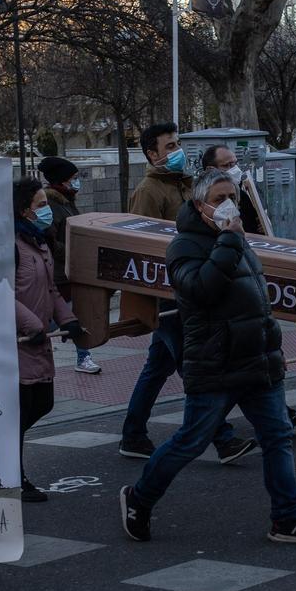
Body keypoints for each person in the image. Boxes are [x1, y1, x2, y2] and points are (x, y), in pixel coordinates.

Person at [120, 170, 296, 546]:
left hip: (257, 361)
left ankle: (286, 518)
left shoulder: (237, 240)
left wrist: (271, 344)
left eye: (232, 196)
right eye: (219, 199)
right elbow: (201, 289)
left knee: (278, 435)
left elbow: (256, 299)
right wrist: (231, 241)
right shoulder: (184, 245)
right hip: (215, 363)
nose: (228, 205)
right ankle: (139, 497)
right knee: (191, 441)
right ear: (199, 205)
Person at [116, 125, 254, 465]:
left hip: (189, 290)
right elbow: (141, 246)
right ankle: (222, 439)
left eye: (178, 143)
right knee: (193, 367)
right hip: (169, 293)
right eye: (171, 145)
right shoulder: (148, 191)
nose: (179, 150)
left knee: (158, 366)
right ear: (152, 153)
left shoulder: (187, 185)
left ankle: (133, 434)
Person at [195, 143, 296, 428]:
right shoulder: (205, 207)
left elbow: (256, 230)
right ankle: (217, 432)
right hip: (218, 301)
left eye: (235, 163)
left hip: (244, 290)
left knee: (251, 362)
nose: (234, 169)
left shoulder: (242, 193)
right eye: (226, 165)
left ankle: (276, 417)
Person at [13, 178, 88, 502]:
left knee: (43, 403)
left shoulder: (39, 242)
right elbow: (0, 295)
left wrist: (69, 320)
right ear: (22, 210)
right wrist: (31, 325)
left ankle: (2, 459)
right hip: (16, 342)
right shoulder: (9, 245)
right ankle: (14, 478)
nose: (46, 211)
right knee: (18, 413)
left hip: (38, 340)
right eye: (40, 205)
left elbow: (51, 291)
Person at [37, 155, 99, 375]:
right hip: (60, 274)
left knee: (77, 314)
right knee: (56, 319)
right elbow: (51, 242)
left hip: (71, 271)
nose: (77, 181)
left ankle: (84, 356)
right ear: (62, 180)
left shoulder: (67, 201)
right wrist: (74, 251)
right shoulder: (53, 206)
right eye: (74, 177)